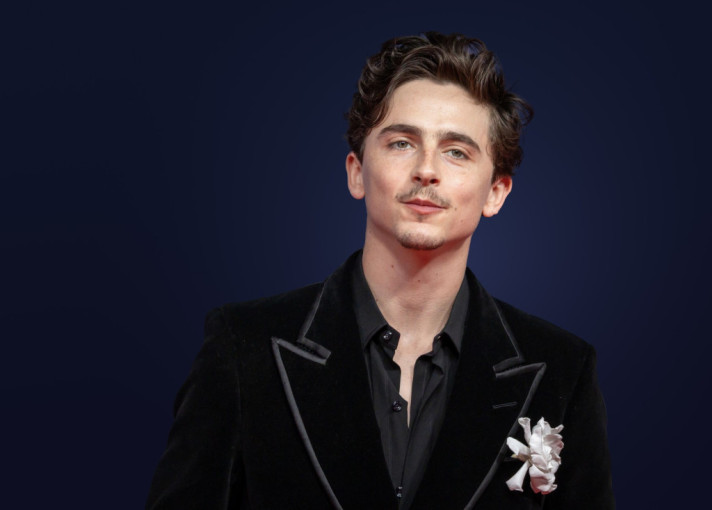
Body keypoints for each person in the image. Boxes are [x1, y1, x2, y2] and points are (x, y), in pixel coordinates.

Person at [146, 32, 614, 509]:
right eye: (402, 143)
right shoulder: (243, 347)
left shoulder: (563, 370)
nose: (426, 170)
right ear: (356, 171)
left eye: (456, 151)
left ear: (496, 192)